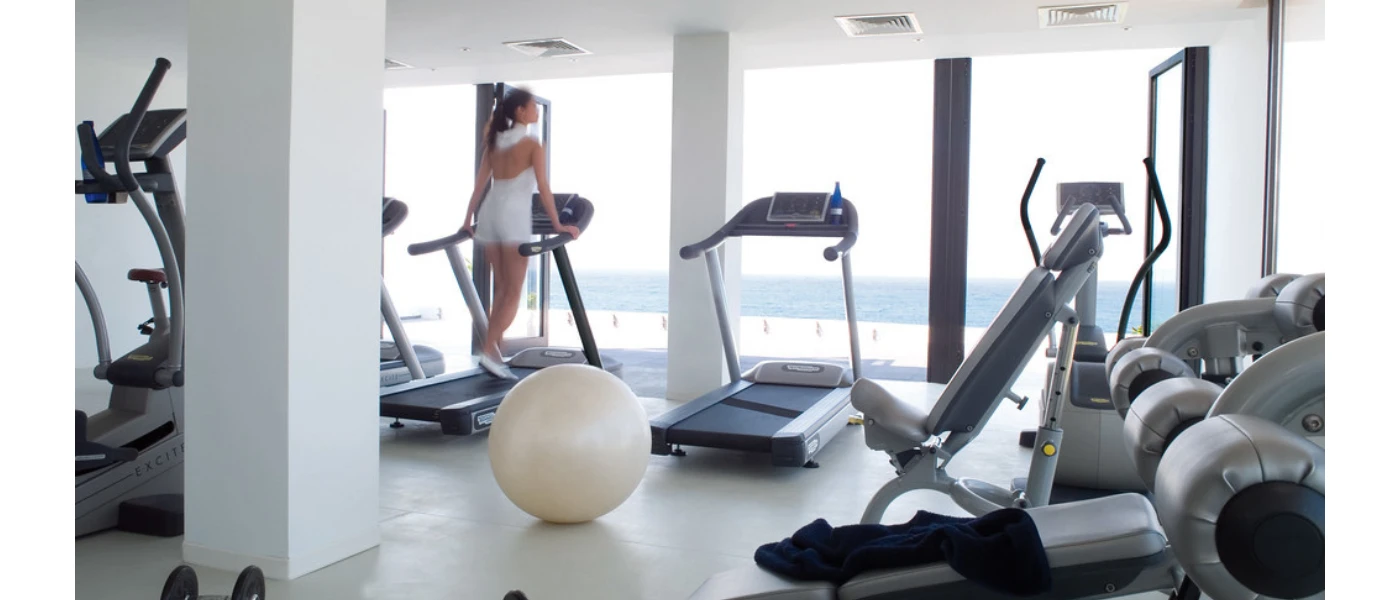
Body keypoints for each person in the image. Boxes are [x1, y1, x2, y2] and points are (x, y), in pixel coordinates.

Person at [461, 87, 580, 379]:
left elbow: (479, 185)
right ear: (520, 112)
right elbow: (544, 187)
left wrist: (467, 219)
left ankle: (491, 350)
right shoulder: (532, 145)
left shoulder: (493, 140)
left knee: (500, 288)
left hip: (489, 212)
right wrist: (558, 225)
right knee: (513, 292)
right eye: (532, 107)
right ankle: (488, 350)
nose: (536, 112)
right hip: (513, 216)